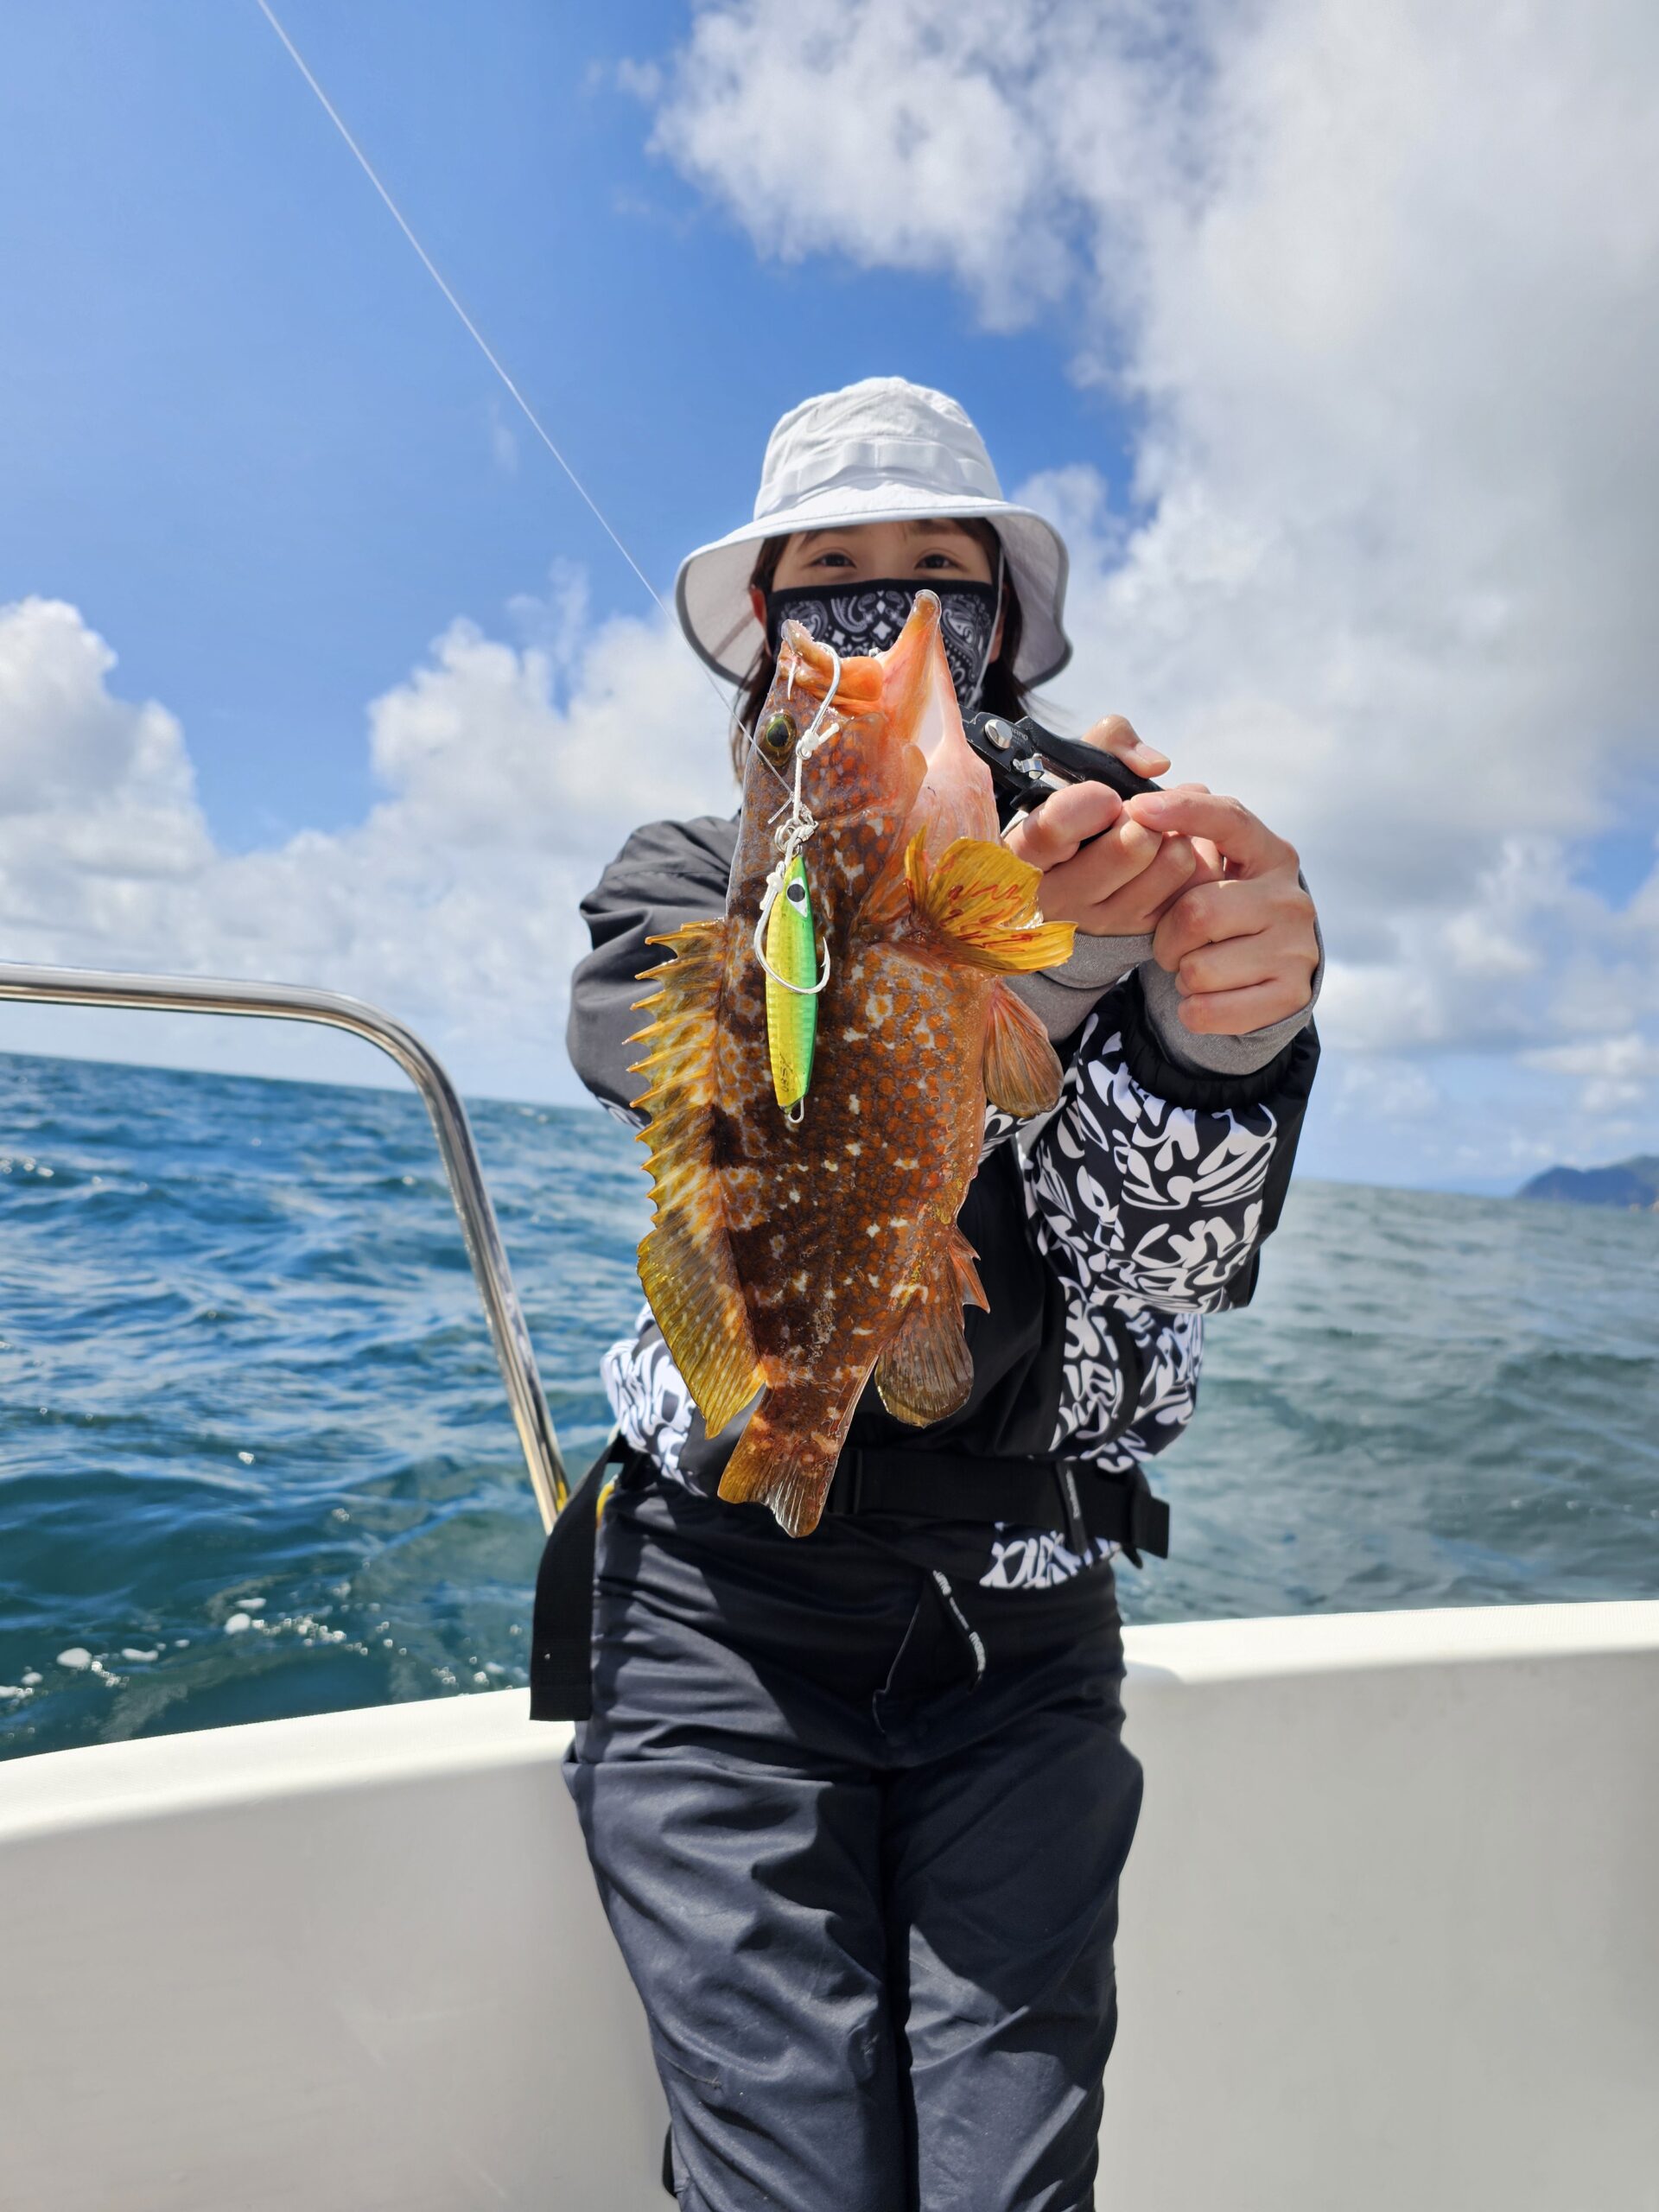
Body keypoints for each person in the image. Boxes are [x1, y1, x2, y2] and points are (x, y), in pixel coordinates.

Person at [534, 378, 1321, 2211]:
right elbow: (691, 1071)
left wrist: (1226, 1027)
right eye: (833, 580)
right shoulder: (691, 879)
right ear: (768, 647)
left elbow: (1179, 1258)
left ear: (1006, 634)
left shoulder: (1134, 852)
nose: (887, 616)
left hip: (1020, 1641)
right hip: (716, 1618)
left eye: (938, 576)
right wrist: (982, 988)